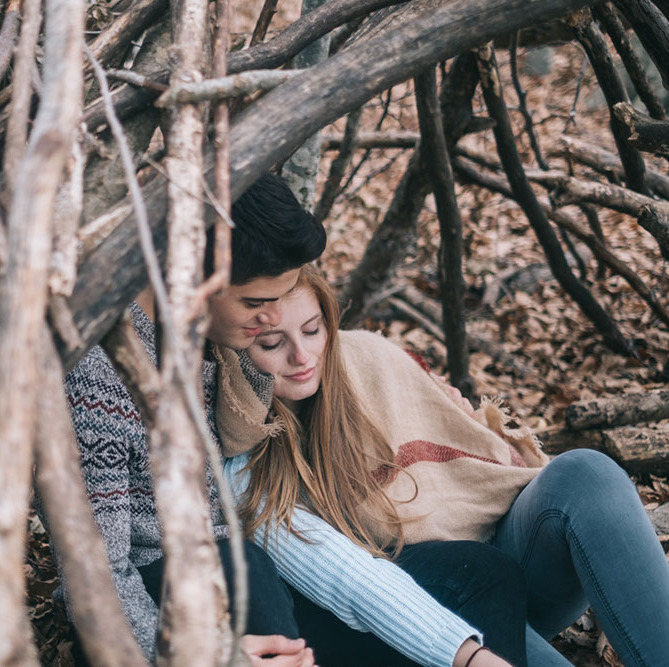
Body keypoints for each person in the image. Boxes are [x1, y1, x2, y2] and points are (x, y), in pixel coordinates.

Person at [56, 173, 519, 667]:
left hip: (267, 576)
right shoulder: (99, 375)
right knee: (244, 567)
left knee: (482, 574)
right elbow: (93, 573)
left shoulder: (217, 341)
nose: (273, 319)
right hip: (162, 610)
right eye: (257, 304)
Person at [221, 266, 669, 667]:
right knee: (462, 576)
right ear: (235, 345)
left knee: (586, 474)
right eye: (273, 343)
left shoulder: (365, 361)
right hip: (421, 614)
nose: (303, 357)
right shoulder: (237, 447)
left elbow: (463, 438)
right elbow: (353, 582)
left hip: (504, 560)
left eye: (313, 330)